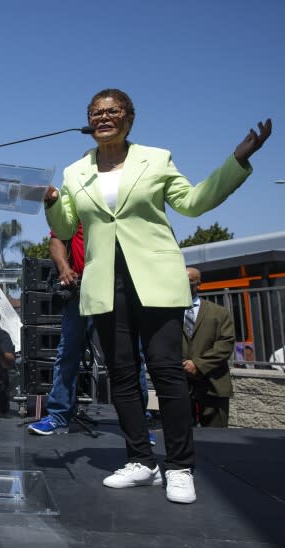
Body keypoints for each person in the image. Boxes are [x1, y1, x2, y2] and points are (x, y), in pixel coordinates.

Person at [44, 88, 271, 504]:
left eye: (112, 111)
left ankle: (180, 466)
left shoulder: (157, 158)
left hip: (156, 278)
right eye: (96, 113)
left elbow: (193, 203)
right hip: (104, 282)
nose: (103, 118)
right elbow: (64, 227)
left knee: (166, 372)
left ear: (129, 118)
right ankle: (141, 461)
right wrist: (53, 204)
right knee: (122, 375)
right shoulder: (76, 172)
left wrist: (237, 161)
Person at [27, 227, 89, 435]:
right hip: (80, 290)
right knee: (67, 352)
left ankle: (139, 421)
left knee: (128, 354)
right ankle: (58, 415)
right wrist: (63, 266)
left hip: (115, 289)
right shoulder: (76, 203)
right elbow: (56, 239)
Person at [183, 268, 235, 427]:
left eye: (189, 282)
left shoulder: (219, 313)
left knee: (217, 439)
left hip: (214, 384)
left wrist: (198, 365)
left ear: (199, 285)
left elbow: (225, 344)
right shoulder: (168, 314)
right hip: (180, 384)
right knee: (182, 437)